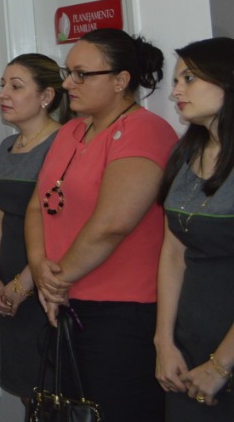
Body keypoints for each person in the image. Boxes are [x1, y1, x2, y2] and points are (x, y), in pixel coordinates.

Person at [25, 28, 174, 420]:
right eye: (67, 72)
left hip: (120, 313)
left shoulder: (144, 130)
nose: (67, 84)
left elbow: (113, 223)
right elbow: (37, 207)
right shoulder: (71, 130)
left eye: (81, 74)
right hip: (65, 302)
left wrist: (55, 281)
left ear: (120, 80)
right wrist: (39, 268)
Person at [156, 37, 234, 416]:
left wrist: (221, 364)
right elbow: (173, 253)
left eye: (188, 79)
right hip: (188, 346)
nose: (175, 92)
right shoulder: (186, 153)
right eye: (175, 81)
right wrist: (164, 342)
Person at [0, 53, 66, 404]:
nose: (4, 94)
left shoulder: (63, 144)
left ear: (46, 96)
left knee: (53, 389)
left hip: (44, 280)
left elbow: (63, 226)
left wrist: (23, 284)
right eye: (3, 84)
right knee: (27, 391)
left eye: (16, 86)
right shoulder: (6, 145)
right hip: (6, 283)